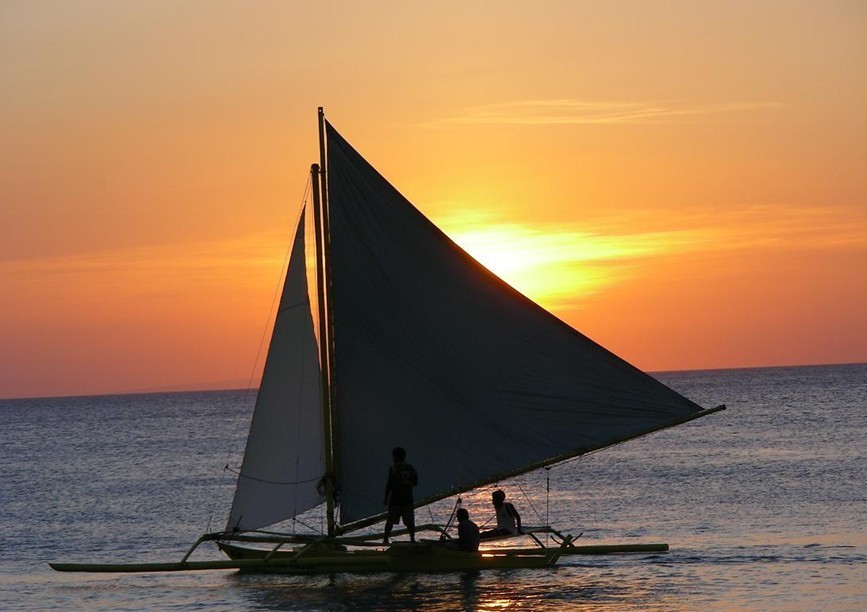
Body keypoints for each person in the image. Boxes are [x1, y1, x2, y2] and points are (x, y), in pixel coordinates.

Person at [383, 446, 418, 544]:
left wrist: (386, 498)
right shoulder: (411, 468)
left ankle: (385, 539)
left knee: (390, 520)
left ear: (396, 457)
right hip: (408, 499)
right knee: (410, 521)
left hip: (396, 499)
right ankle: (412, 539)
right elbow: (415, 483)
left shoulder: (393, 468)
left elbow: (389, 484)